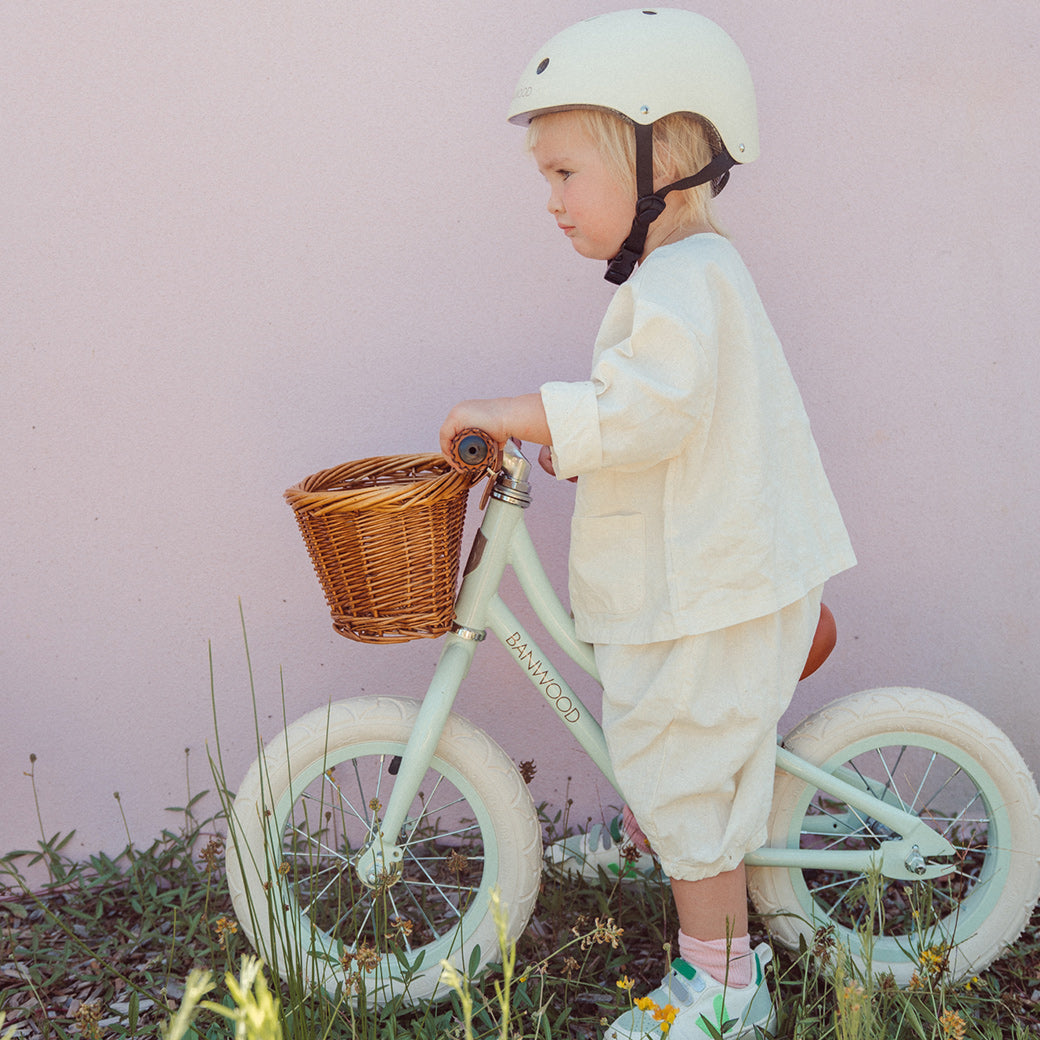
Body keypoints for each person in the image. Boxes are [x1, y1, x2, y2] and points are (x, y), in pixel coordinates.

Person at [439, 9, 856, 1038]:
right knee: (669, 751)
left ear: (655, 153)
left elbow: (641, 408)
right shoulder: (684, 277)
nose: (550, 199)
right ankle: (675, 845)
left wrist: (514, 412)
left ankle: (722, 987)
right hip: (714, 573)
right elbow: (661, 418)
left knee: (681, 773)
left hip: (714, 589)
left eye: (565, 172)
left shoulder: (685, 284)